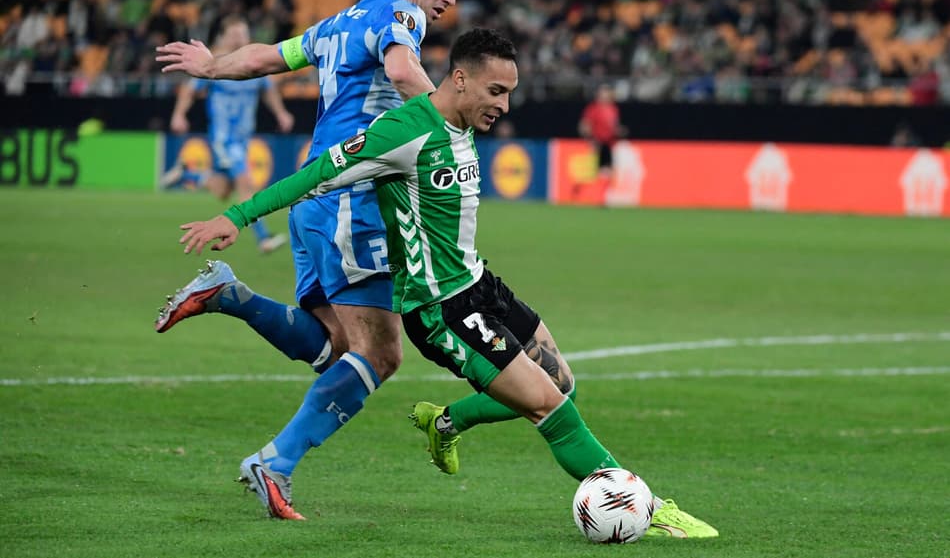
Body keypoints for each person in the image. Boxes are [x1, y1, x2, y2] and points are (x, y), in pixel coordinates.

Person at [175, 28, 718, 539]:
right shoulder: (402, 133)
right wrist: (237, 216)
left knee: (562, 382)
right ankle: (646, 505)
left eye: (510, 93)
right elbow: (315, 174)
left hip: (482, 286)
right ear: (460, 79)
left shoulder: (460, 123)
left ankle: (449, 421)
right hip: (442, 311)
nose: (503, 105)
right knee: (551, 407)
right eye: (496, 91)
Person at [154, 0, 461, 520]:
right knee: (381, 354)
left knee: (335, 346)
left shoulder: (338, 22)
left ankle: (229, 294)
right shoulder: (402, 15)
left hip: (313, 199)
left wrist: (210, 67)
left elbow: (266, 57)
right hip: (355, 201)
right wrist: (451, 123)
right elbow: (401, 66)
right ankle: (276, 463)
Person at [161, 14, 295, 254]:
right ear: (224, 36)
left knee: (223, 190)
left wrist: (281, 113)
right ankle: (264, 239)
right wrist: (179, 115)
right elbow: (189, 91)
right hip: (224, 137)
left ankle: (188, 173)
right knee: (246, 184)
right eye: (234, 34)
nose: (239, 39)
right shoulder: (215, 63)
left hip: (243, 138)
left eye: (243, 34)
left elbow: (269, 90)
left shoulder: (254, 61)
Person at [577, 83, 626, 203]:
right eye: (603, 93)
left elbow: (613, 126)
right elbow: (585, 125)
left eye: (607, 93)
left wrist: (619, 130)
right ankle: (591, 197)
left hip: (609, 144)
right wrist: (589, 138)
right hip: (597, 142)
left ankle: (602, 197)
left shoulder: (613, 109)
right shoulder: (593, 109)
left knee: (607, 171)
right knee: (596, 171)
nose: (605, 96)